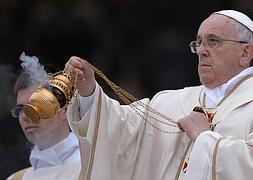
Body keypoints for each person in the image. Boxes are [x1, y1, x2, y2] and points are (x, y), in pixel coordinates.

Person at [65, 10, 253, 180]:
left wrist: (205, 138)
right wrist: (88, 91)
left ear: (245, 52)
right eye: (199, 42)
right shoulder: (169, 102)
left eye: (214, 41)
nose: (202, 51)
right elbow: (119, 133)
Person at [7, 54, 82, 180]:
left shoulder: (95, 167)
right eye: (20, 109)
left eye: (35, 104)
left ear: (64, 109)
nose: (25, 115)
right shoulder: (16, 178)